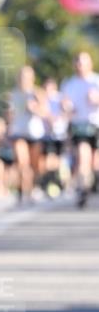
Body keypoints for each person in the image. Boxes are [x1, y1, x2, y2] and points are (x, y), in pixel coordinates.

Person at [61, 52, 99, 208]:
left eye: (83, 63)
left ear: (90, 64)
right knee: (83, 157)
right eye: (77, 63)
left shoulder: (96, 81)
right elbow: (64, 103)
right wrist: (66, 107)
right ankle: (83, 189)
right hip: (79, 126)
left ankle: (91, 183)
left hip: (96, 124)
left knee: (95, 162)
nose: (80, 66)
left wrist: (96, 99)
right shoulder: (69, 84)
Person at [7, 66, 46, 203]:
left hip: (35, 133)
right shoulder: (13, 94)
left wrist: (34, 108)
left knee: (34, 166)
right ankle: (22, 190)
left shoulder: (37, 93)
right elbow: (9, 115)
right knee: (22, 162)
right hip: (18, 132)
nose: (24, 80)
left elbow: (45, 113)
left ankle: (32, 188)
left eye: (27, 77)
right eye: (22, 77)